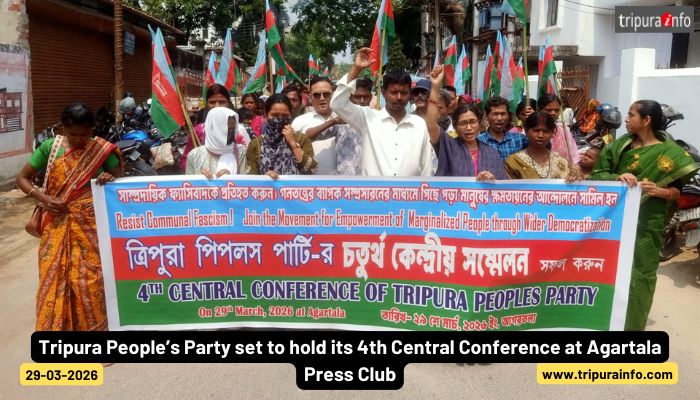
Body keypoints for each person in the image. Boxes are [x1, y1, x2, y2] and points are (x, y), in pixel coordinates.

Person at [589, 100, 698, 331]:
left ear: (646, 120)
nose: (626, 119)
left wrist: (660, 191)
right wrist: (617, 178)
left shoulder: (670, 153)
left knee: (643, 274)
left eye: (631, 115)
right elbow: (597, 174)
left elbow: (677, 192)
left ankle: (633, 327)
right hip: (615, 220)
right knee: (609, 270)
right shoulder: (618, 147)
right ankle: (605, 321)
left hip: (649, 222)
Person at [15, 103, 124, 331]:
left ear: (91, 130)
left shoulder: (100, 150)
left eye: (84, 134)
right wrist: (43, 198)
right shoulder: (50, 148)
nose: (79, 140)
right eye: (73, 134)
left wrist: (109, 177)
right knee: (52, 278)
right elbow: (22, 178)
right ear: (63, 129)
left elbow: (119, 179)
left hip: (91, 227)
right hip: (55, 225)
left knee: (89, 280)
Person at [330, 47, 434, 177]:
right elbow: (337, 104)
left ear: (410, 94)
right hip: (374, 190)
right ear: (384, 93)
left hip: (409, 190)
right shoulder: (368, 118)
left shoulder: (419, 124)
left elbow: (426, 168)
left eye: (404, 93)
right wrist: (356, 69)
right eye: (394, 92)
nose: (399, 97)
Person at [426, 65, 505, 180]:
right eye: (463, 123)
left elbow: (502, 185)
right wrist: (435, 87)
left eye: (473, 122)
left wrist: (493, 180)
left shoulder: (491, 153)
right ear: (455, 126)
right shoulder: (448, 146)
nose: (469, 128)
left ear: (480, 124)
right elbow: (431, 125)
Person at [245, 94, 317, 177]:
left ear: (290, 115)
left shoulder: (301, 139)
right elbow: (251, 178)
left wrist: (293, 144)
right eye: (275, 115)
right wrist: (264, 178)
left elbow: (311, 170)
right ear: (266, 115)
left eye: (285, 116)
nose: (280, 119)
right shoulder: (256, 144)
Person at [181, 84, 247, 171]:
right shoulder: (199, 130)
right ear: (206, 104)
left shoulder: (239, 130)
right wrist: (199, 170)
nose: (217, 106)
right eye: (212, 102)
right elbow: (186, 161)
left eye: (222, 102)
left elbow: (245, 169)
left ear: (228, 103)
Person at [505, 111, 577, 180]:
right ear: (526, 131)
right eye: (536, 130)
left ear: (552, 133)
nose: (541, 135)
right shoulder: (514, 161)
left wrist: (575, 178)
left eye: (546, 131)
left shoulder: (561, 162)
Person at [186, 107, 246, 178]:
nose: (231, 133)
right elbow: (188, 183)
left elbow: (245, 181)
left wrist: (230, 178)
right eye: (227, 129)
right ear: (213, 128)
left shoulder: (240, 151)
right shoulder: (195, 155)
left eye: (233, 129)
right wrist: (200, 179)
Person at [477, 96, 528, 160]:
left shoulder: (520, 139)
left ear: (508, 115)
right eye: (495, 114)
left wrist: (531, 119)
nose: (499, 118)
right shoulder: (479, 142)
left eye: (503, 114)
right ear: (487, 116)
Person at [538, 93, 579, 164]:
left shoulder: (564, 131)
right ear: (540, 110)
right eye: (549, 110)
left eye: (556, 110)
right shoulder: (534, 131)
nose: (553, 113)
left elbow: (574, 154)